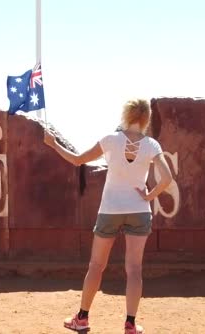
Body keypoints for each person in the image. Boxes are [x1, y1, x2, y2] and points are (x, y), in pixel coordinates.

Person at [43, 99, 173, 334]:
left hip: (110, 211)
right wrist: (149, 196)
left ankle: (81, 319)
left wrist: (53, 145)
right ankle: (130, 324)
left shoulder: (111, 140)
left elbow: (77, 160)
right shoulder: (152, 145)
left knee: (96, 266)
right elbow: (167, 179)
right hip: (139, 211)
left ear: (127, 114)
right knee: (134, 270)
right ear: (146, 118)